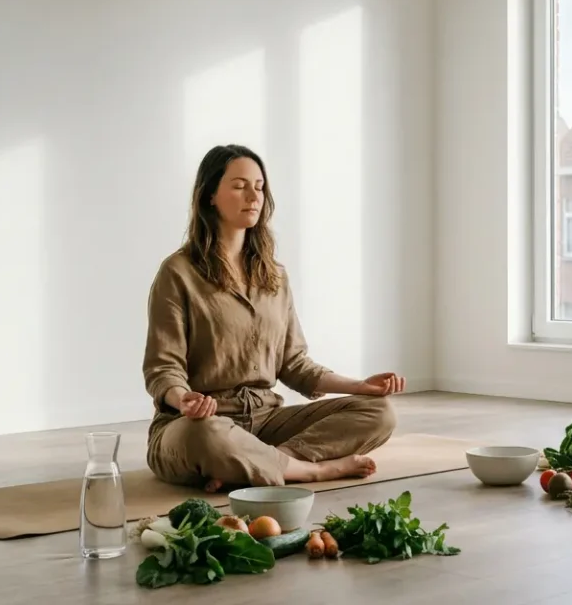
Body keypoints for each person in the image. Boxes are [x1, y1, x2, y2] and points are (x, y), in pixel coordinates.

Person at [143, 144, 404, 492]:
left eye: (260, 186)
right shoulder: (177, 273)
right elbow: (163, 369)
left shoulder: (274, 276)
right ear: (209, 196)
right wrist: (183, 399)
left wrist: (359, 386)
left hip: (265, 420)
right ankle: (311, 471)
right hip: (198, 423)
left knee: (379, 412)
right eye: (239, 186)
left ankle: (259, 464)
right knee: (203, 434)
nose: (254, 195)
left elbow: (294, 364)